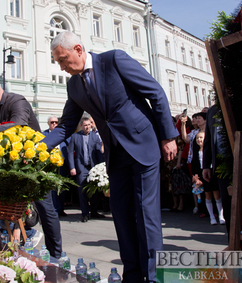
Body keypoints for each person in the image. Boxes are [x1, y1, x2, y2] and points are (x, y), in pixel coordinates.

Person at [41, 31, 178, 282]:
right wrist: (37, 147)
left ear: (79, 50)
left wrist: (168, 136)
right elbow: (65, 126)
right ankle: (133, 276)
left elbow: (155, 92)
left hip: (143, 145)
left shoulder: (114, 60)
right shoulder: (73, 85)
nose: (61, 67)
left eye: (62, 60)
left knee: (146, 214)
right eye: (57, 62)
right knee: (122, 216)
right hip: (116, 156)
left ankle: (155, 277)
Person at [0, 74, 62, 258]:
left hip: (34, 166)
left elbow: (18, 126)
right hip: (10, 167)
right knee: (5, 208)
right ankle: (8, 250)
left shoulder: (17, 101)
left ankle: (56, 255)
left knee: (45, 209)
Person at [68, 117, 104, 222]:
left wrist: (101, 166)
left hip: (93, 167)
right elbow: (70, 153)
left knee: (94, 191)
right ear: (81, 126)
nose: (87, 127)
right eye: (85, 125)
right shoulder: (75, 137)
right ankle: (85, 214)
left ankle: (94, 212)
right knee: (82, 191)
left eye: (89, 125)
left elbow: (98, 153)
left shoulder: (95, 137)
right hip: (81, 167)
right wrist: (72, 167)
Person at [203, 105, 232, 236]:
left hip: (239, 159)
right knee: (228, 205)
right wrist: (206, 165)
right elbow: (208, 139)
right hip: (221, 164)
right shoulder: (213, 110)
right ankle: (233, 240)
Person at [192, 131, 225, 225]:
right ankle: (211, 216)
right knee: (207, 195)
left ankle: (221, 215)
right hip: (202, 175)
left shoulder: (211, 150)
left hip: (212, 173)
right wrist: (196, 178)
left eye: (201, 138)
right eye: (198, 138)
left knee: (217, 194)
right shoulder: (196, 152)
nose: (199, 140)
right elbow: (195, 166)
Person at [43, 115, 68, 217]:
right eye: (52, 122)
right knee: (52, 188)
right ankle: (54, 209)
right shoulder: (43, 134)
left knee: (62, 188)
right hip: (50, 165)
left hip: (63, 165)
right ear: (48, 124)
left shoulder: (64, 134)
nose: (54, 124)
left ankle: (61, 209)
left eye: (56, 122)